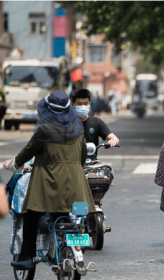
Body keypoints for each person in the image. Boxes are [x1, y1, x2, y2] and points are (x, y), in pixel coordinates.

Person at [4, 91, 95, 270]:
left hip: (48, 186)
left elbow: (26, 153)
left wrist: (13, 164)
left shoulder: (44, 131)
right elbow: (82, 157)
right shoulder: (77, 130)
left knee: (30, 215)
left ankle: (27, 257)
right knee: (67, 216)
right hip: (76, 186)